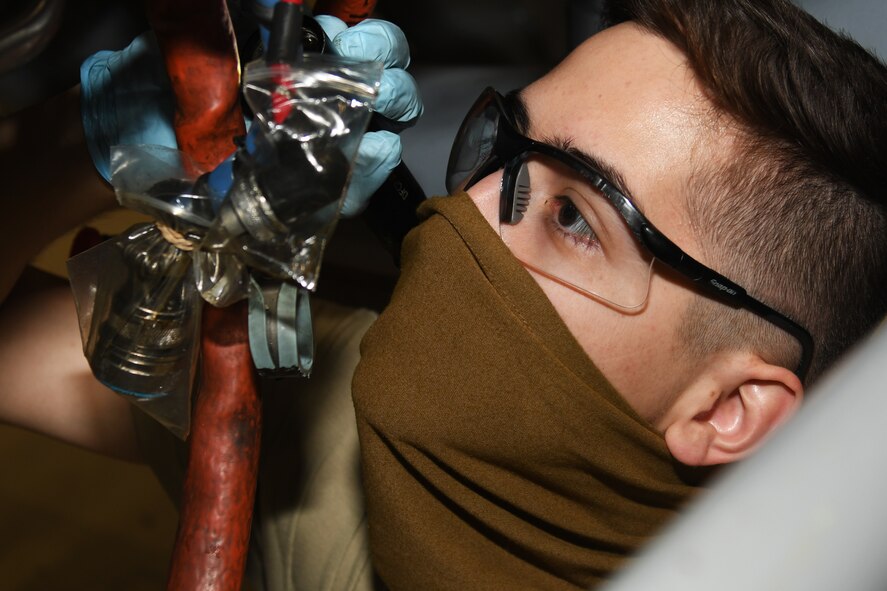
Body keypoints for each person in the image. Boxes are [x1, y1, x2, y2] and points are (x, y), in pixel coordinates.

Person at [1, 0, 886, 589]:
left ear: (727, 409)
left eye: (574, 217)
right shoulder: (337, 430)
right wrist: (85, 150)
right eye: (503, 150)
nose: (463, 211)